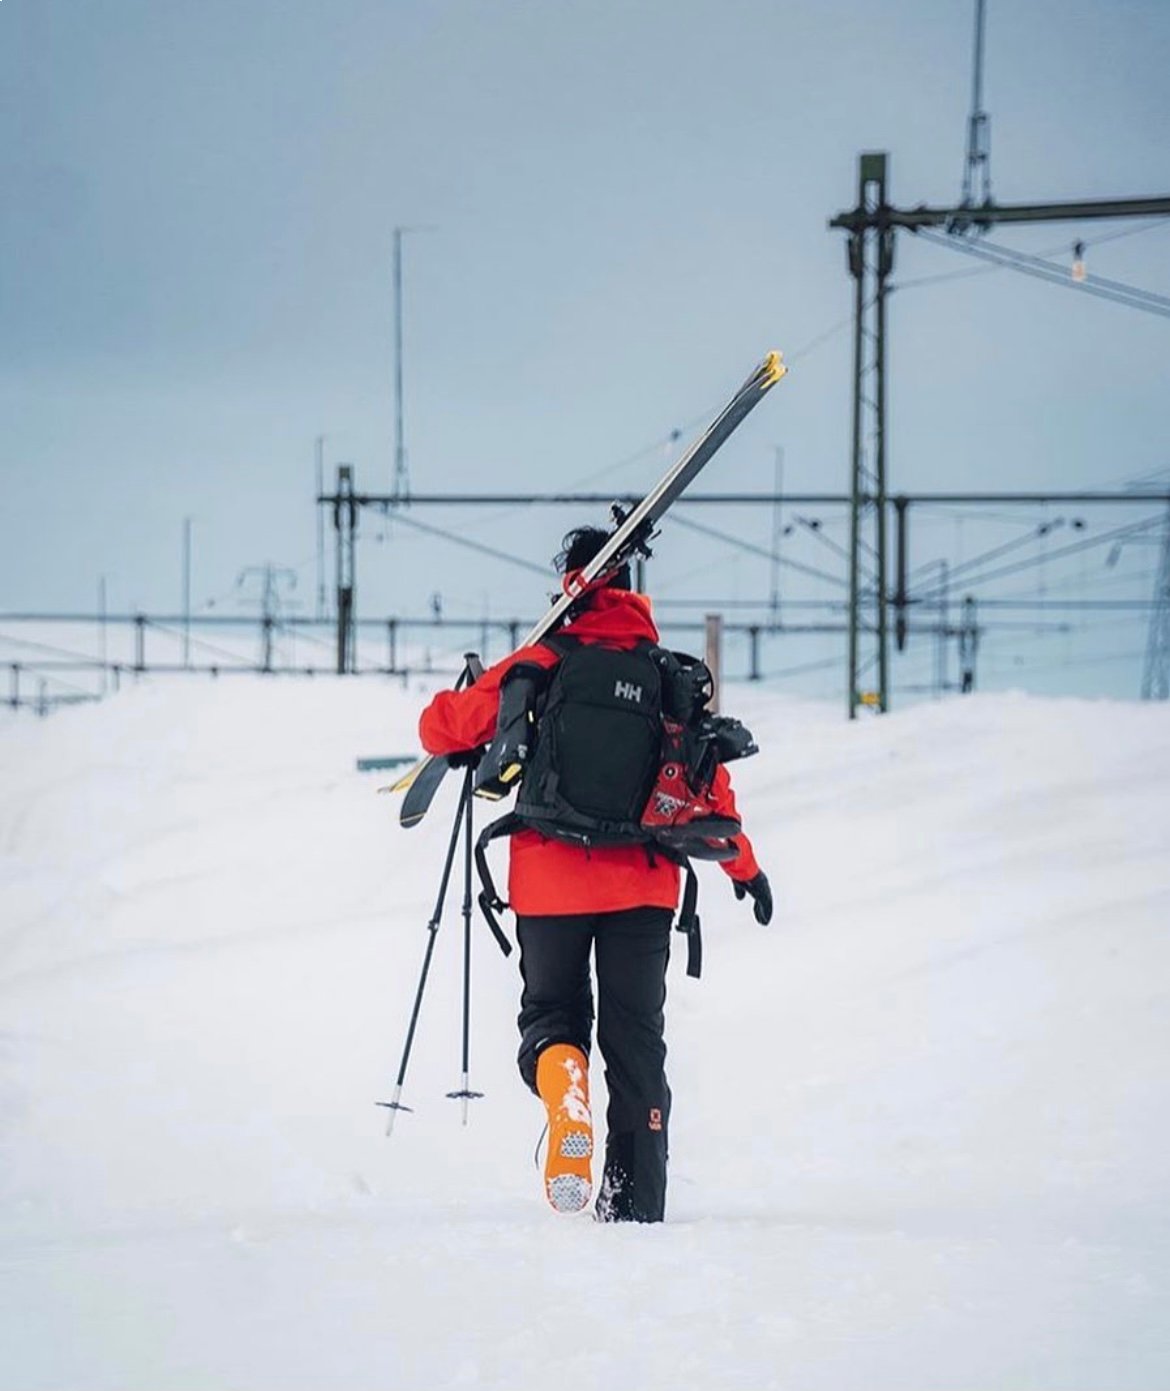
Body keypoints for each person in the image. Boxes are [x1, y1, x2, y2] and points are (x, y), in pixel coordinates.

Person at [418, 527, 771, 1223]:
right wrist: (746, 869)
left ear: (570, 583)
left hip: (550, 878)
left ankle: (564, 1081)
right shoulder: (665, 675)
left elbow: (443, 730)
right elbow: (711, 793)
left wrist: (478, 691)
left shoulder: (543, 659)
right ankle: (634, 1205)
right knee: (637, 1041)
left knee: (553, 1017)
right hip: (642, 884)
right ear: (633, 591)